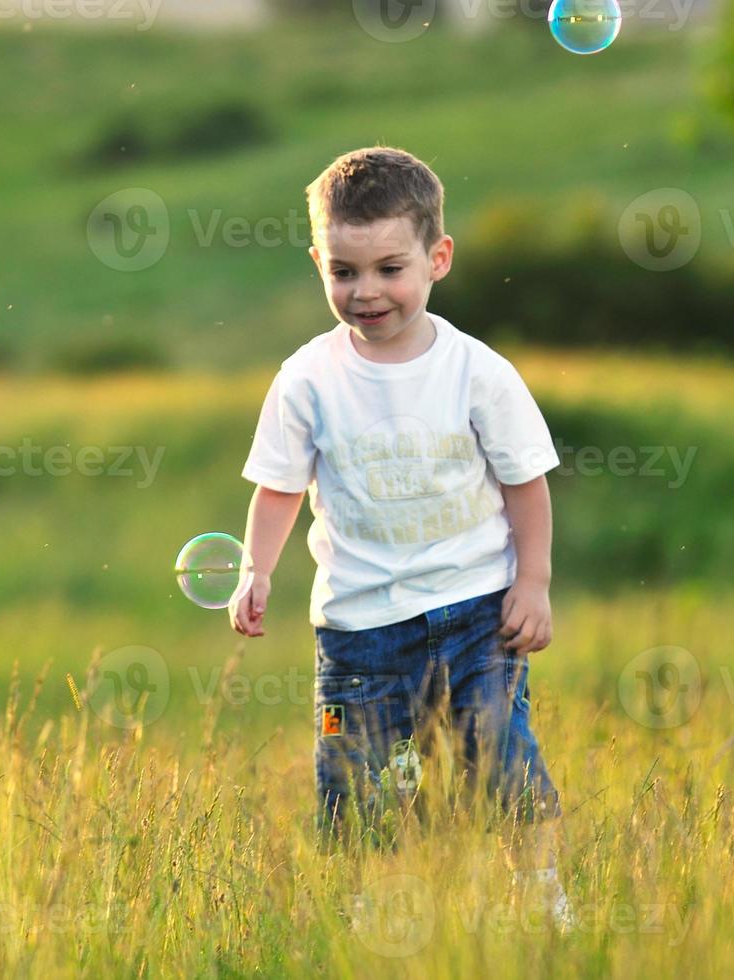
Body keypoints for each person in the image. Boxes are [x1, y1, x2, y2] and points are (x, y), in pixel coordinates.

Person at [229, 145, 571, 926]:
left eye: (390, 268)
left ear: (437, 258)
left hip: (476, 608)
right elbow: (279, 487)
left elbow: (525, 484)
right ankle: (378, 913)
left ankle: (539, 899)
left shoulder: (477, 371)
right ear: (319, 261)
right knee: (364, 785)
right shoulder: (306, 378)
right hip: (357, 629)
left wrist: (534, 582)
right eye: (344, 272)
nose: (367, 291)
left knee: (502, 762)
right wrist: (258, 569)